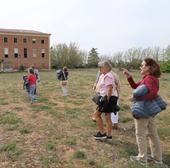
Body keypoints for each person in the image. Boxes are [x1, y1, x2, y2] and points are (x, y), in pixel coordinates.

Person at [123, 58, 166, 166]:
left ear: (149, 67)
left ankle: (142, 158)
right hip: (148, 110)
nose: (140, 67)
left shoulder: (150, 79)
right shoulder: (148, 78)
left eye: (142, 65)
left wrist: (135, 98)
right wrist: (129, 77)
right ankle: (157, 158)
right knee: (153, 134)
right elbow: (136, 87)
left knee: (140, 134)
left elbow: (152, 94)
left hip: (143, 110)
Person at [93, 60, 118, 140]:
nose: (99, 69)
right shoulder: (106, 75)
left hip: (107, 98)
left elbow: (109, 89)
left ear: (107, 68)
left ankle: (102, 133)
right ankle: (109, 136)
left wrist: (106, 101)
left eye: (101, 67)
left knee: (96, 115)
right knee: (107, 117)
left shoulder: (108, 76)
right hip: (109, 98)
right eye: (99, 67)